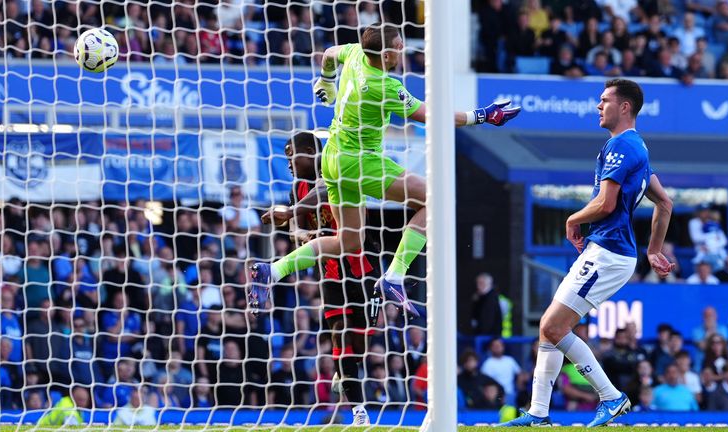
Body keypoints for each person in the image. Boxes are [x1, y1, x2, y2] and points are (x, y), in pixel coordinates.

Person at [250, 23, 519, 319]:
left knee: (348, 242)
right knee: (436, 199)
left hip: (333, 158)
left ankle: (272, 271)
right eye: (399, 46)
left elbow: (328, 54)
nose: (403, 50)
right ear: (387, 55)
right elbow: (434, 116)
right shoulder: (384, 86)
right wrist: (482, 115)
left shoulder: (354, 54)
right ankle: (393, 276)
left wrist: (326, 81)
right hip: (360, 162)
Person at [500, 79, 674, 427]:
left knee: (552, 325)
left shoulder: (621, 147)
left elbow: (606, 203)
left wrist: (572, 218)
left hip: (608, 252)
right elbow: (665, 202)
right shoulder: (637, 146)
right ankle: (538, 412)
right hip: (610, 251)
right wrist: (653, 250)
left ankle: (612, 397)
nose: (598, 106)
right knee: (550, 329)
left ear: (624, 107)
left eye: (604, 100)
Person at [259, 131, 381, 426]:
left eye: (292, 156)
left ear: (309, 152)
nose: (288, 163)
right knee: (340, 332)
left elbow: (325, 191)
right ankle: (358, 411)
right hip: (329, 270)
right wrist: (303, 234)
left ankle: (346, 370)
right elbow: (295, 231)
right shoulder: (296, 187)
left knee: (361, 338)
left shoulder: (335, 168)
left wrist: (291, 211)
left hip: (361, 265)